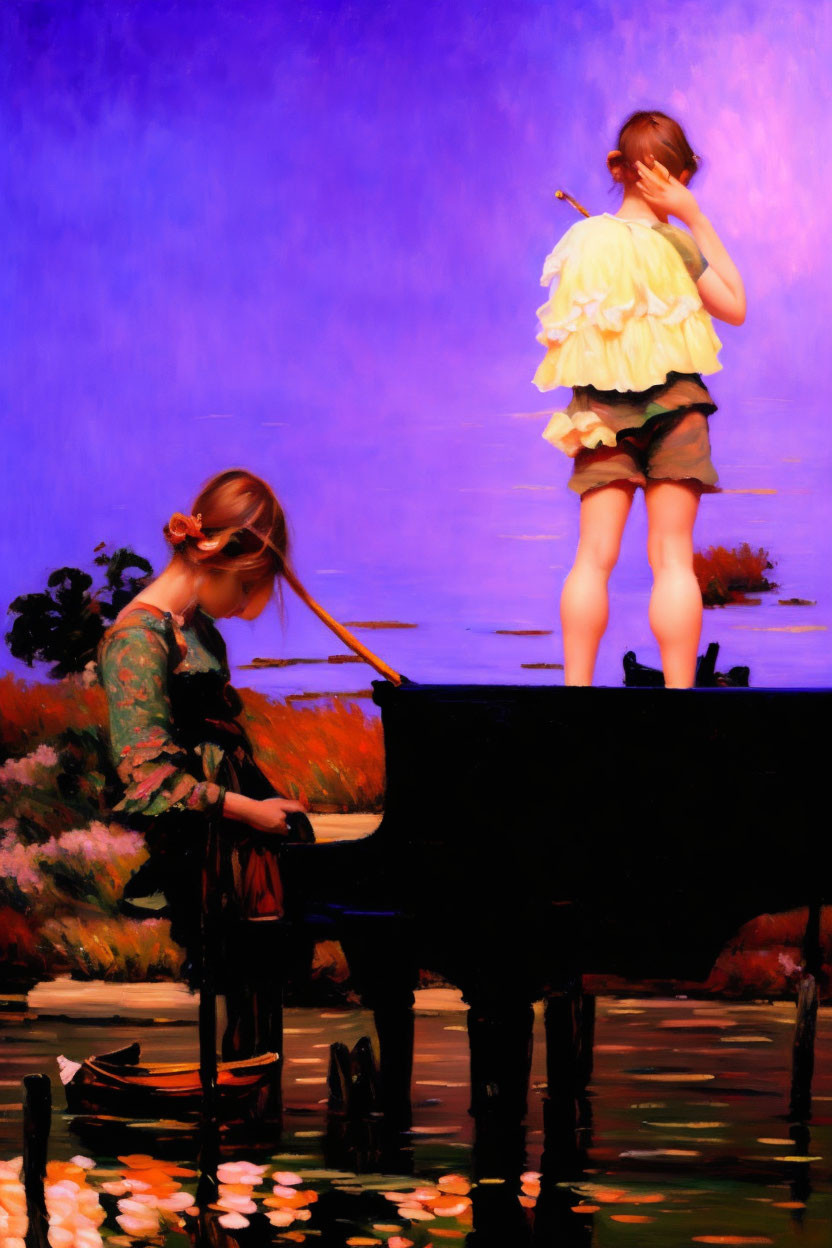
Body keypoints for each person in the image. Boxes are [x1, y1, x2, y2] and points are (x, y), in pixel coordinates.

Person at [97, 468, 313, 1060]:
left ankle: (251, 1103)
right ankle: (235, 1112)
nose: (247, 606)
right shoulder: (137, 639)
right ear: (218, 561)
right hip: (205, 841)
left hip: (241, 836)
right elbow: (146, 775)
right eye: (247, 589)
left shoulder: (200, 631)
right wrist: (247, 810)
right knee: (236, 976)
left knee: (260, 984)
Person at [533, 110, 746, 688]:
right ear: (681, 176)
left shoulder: (579, 240)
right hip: (677, 410)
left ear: (615, 167)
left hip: (601, 416)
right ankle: (680, 698)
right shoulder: (676, 240)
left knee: (592, 557)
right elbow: (735, 305)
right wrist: (694, 215)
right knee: (673, 557)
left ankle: (575, 693)